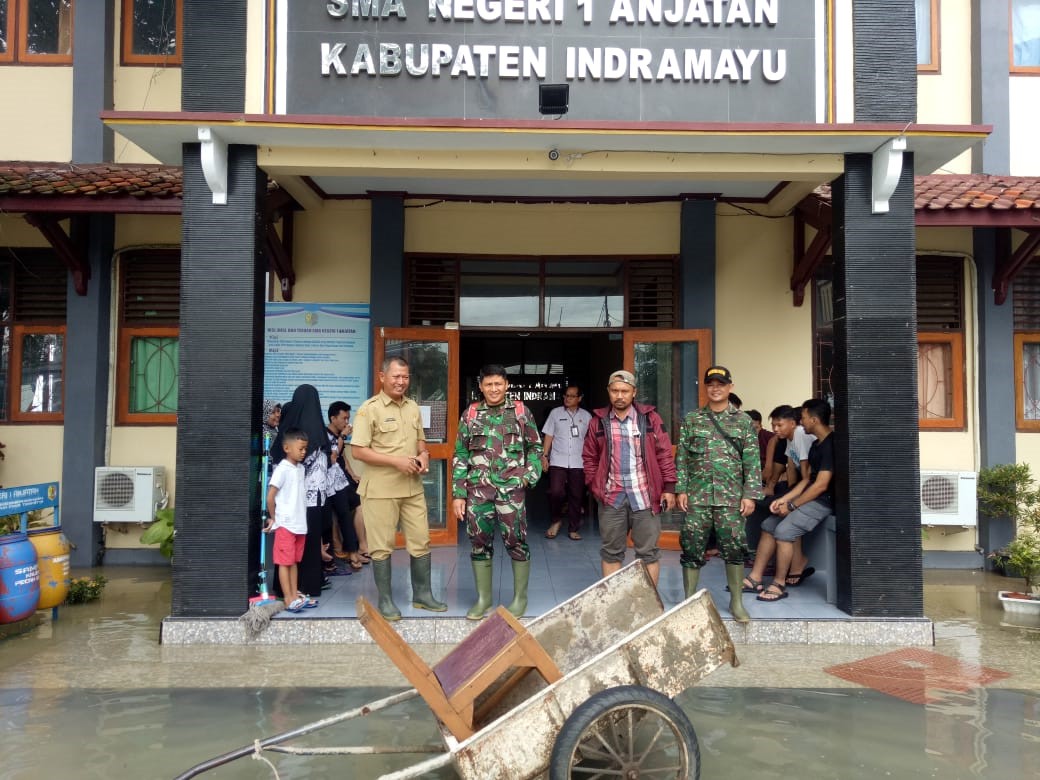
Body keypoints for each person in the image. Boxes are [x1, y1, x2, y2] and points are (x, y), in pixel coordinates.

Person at [352, 356, 447, 620]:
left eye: (405, 377)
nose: (401, 382)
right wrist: (396, 462)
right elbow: (359, 451)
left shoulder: (413, 407)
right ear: (383, 377)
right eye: (396, 376)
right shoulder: (368, 409)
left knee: (421, 540)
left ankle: (423, 595)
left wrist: (424, 455)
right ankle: (385, 600)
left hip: (412, 488)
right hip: (381, 490)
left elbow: (420, 442)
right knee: (381, 546)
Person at [452, 364, 543, 619]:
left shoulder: (521, 412)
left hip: (511, 492)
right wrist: (458, 494)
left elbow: (536, 448)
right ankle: (483, 600)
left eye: (498, 384)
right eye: (488, 384)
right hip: (478, 491)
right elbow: (460, 453)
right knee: (478, 543)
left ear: (506, 385)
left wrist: (528, 476)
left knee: (516, 541)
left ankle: (519, 599)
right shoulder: (470, 414)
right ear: (481, 387)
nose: (494, 389)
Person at [675, 366, 761, 623]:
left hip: (731, 498)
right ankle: (689, 600)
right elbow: (682, 458)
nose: (716, 388)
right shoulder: (692, 419)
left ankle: (736, 602)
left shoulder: (743, 421)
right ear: (705, 387)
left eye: (721, 384)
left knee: (734, 547)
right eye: (711, 384)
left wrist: (750, 494)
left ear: (730, 387)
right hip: (698, 496)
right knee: (691, 545)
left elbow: (752, 461)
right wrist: (681, 488)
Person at [582, 369, 676, 586]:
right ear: (608, 392)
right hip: (611, 497)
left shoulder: (649, 419)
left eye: (625, 391)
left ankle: (649, 605)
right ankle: (616, 602)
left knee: (649, 553)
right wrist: (595, 486)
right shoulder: (598, 421)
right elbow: (589, 457)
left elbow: (664, 453)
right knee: (611, 552)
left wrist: (669, 487)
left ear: (634, 392)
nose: (620, 395)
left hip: (645, 496)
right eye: (615, 391)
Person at [752, 398, 834, 604]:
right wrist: (785, 500)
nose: (801, 421)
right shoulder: (816, 444)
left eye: (803, 418)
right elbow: (806, 480)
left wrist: (792, 505)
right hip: (808, 495)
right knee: (768, 524)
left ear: (814, 420)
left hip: (824, 501)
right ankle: (755, 578)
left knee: (784, 531)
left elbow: (821, 485)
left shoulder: (831, 445)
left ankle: (779, 583)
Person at [270, 385, 330, 605]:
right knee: (306, 546)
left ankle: (288, 590)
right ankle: (307, 587)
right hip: (312, 502)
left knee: (290, 551)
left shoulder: (289, 436)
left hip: (290, 504)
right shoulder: (317, 434)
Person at [265, 428, 312, 613]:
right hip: (286, 525)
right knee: (285, 562)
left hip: (300, 525)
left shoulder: (300, 469)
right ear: (286, 448)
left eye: (305, 449)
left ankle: (294, 595)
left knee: (293, 562)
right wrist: (274, 519)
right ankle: (287, 598)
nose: (303, 452)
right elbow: (270, 497)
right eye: (300, 448)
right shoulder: (282, 469)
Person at [540, 384, 592, 540]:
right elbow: (549, 435)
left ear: (579, 398)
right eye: (566, 395)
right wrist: (544, 455)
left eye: (571, 396)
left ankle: (573, 528)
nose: (567, 398)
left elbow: (590, 440)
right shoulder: (555, 413)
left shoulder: (587, 416)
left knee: (576, 495)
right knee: (556, 492)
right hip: (558, 459)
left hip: (578, 461)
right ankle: (556, 521)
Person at [326, 401, 362, 572]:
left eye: (348, 418)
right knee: (343, 512)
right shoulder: (325, 435)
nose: (347, 422)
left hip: (342, 478)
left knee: (355, 503)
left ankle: (356, 549)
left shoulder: (339, 434)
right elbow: (333, 457)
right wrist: (343, 438)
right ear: (333, 418)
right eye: (343, 418)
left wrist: (353, 474)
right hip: (330, 482)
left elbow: (343, 458)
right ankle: (348, 551)